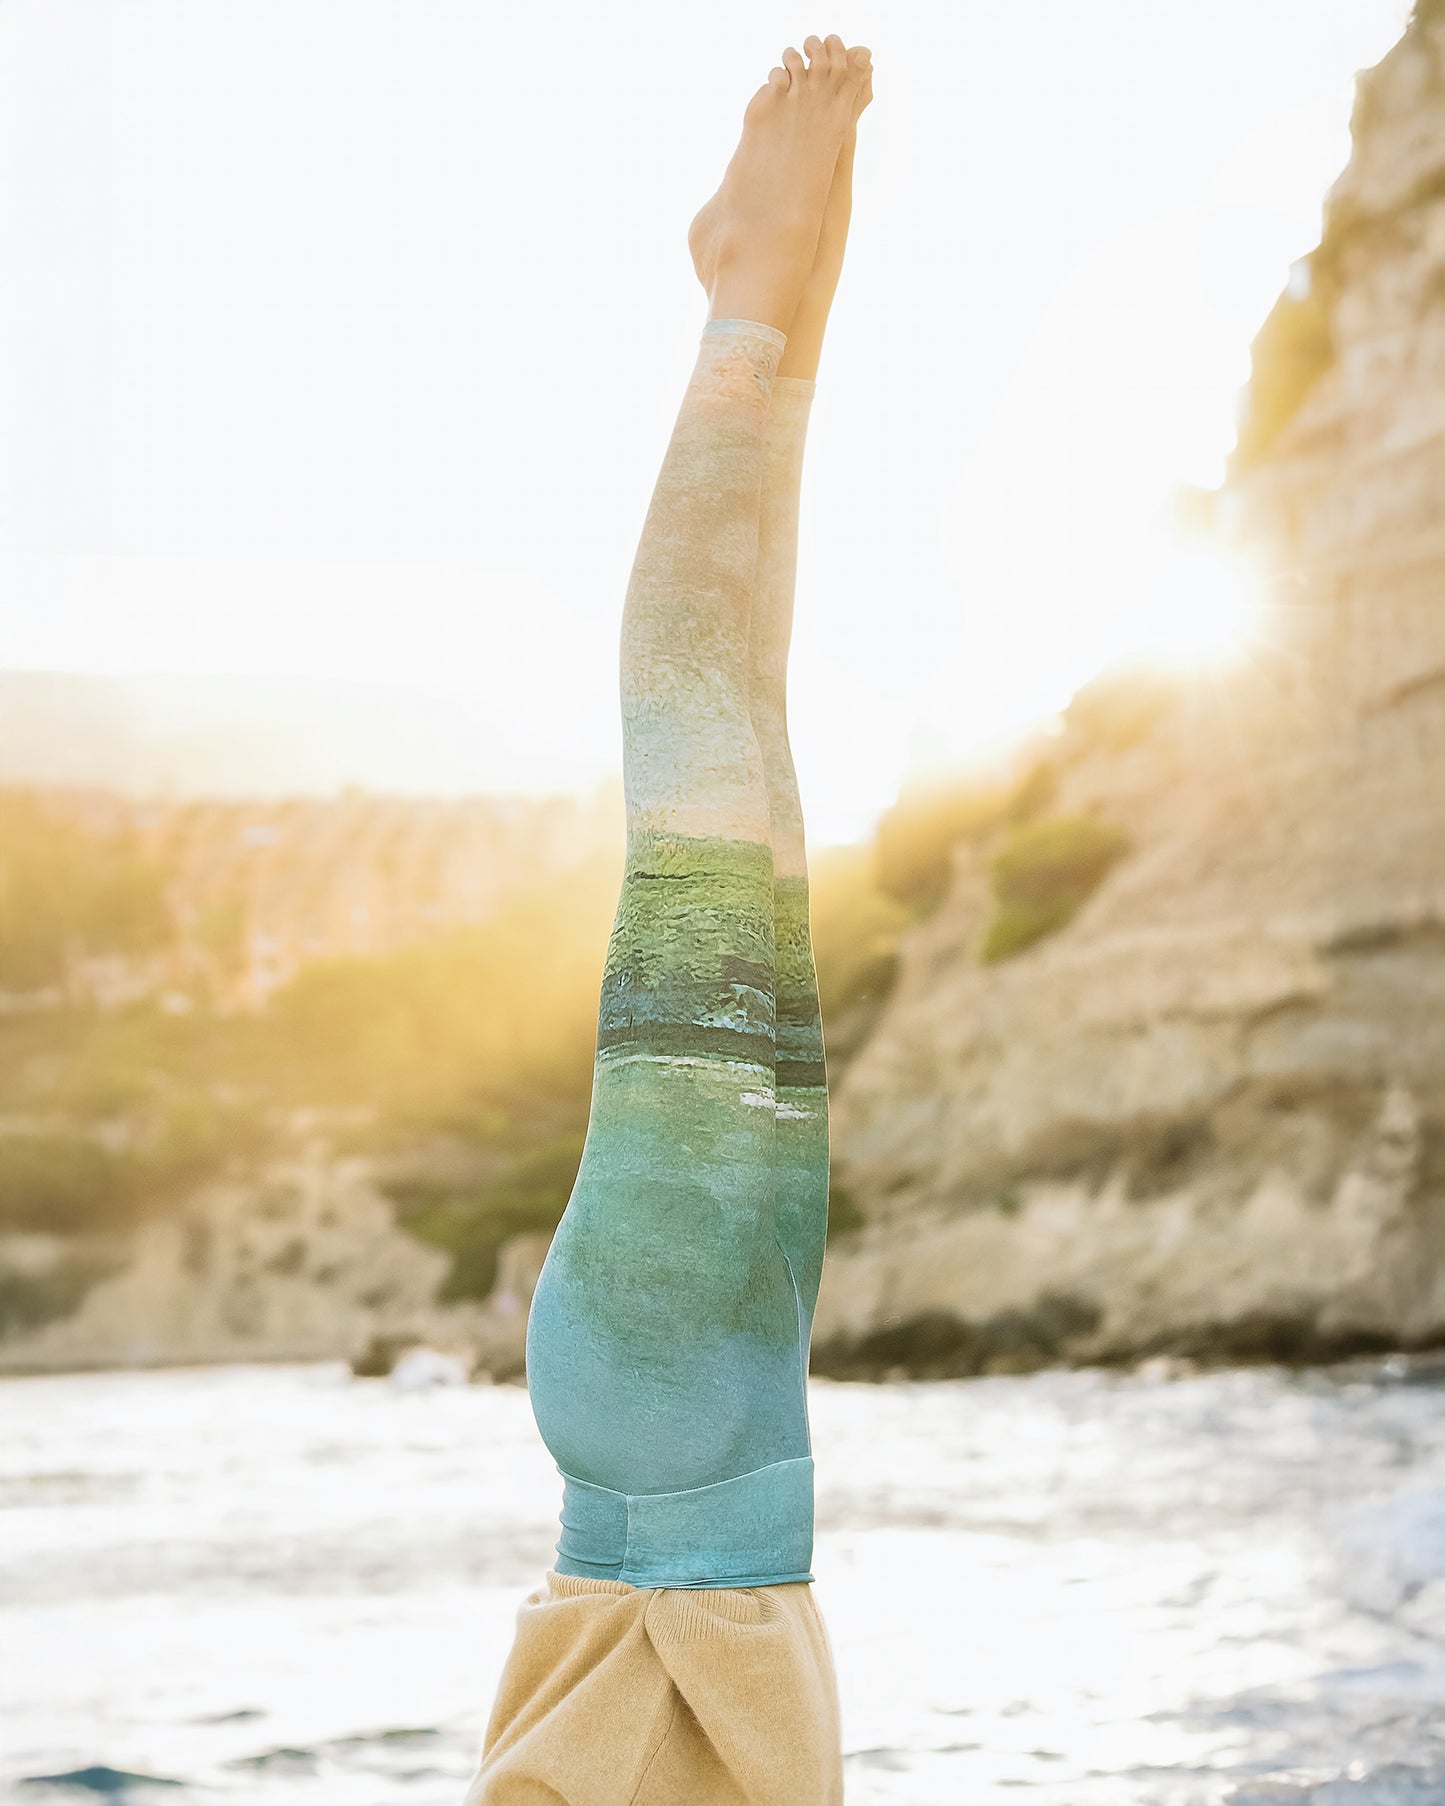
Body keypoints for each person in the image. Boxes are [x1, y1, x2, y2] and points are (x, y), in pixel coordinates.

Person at [466, 35, 873, 1805]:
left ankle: (749, 299)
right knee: (749, 776)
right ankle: (785, 305)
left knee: (697, 760)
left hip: (657, 1440)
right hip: (719, 1447)